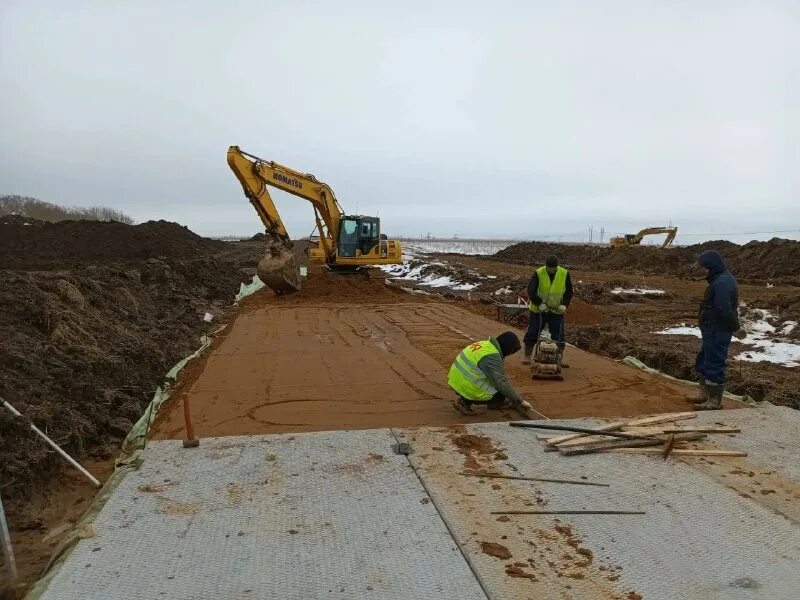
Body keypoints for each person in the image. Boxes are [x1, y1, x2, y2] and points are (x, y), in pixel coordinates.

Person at [694, 250, 745, 410]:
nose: (702, 270)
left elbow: (724, 309)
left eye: (704, 267)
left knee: (714, 362)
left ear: (711, 266)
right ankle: (705, 395)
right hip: (711, 329)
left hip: (718, 330)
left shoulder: (722, 282)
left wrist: (735, 327)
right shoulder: (719, 279)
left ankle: (714, 401)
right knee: (704, 359)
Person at [448, 332, 532, 415]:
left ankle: (468, 399)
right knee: (500, 396)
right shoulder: (492, 356)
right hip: (465, 384)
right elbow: (501, 383)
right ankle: (464, 402)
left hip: (455, 379)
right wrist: (520, 400)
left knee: (499, 388)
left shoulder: (486, 345)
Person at [522, 255, 573, 365]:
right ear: (546, 266)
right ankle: (527, 355)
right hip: (539, 311)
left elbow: (569, 291)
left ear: (557, 266)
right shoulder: (539, 273)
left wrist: (564, 304)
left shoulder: (564, 273)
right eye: (549, 268)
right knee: (533, 331)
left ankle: (560, 356)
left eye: (553, 268)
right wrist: (539, 303)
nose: (551, 270)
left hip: (556, 310)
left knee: (558, 333)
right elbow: (531, 290)